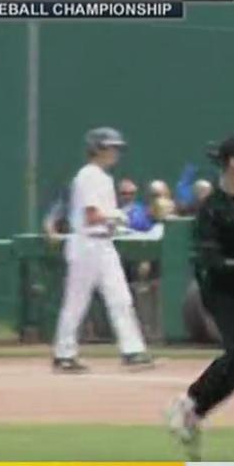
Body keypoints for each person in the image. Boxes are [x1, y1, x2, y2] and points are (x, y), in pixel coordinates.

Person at [167, 135, 234, 459]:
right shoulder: (212, 209)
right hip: (219, 287)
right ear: (233, 162)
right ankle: (187, 403)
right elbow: (208, 259)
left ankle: (194, 410)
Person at [51, 127, 153, 373]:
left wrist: (116, 221)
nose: (115, 152)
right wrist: (118, 216)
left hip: (103, 245)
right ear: (97, 148)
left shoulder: (103, 177)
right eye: (110, 147)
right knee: (76, 302)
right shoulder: (89, 175)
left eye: (116, 148)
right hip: (86, 244)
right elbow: (92, 215)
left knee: (121, 298)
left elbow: (100, 218)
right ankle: (64, 354)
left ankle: (132, 351)